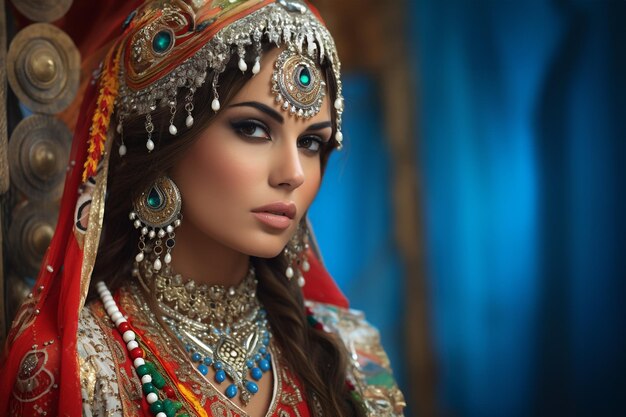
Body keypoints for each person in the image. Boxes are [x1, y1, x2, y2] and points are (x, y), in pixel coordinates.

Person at [0, 1, 405, 416]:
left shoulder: (349, 354)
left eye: (311, 142)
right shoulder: (78, 362)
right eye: (252, 129)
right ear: (165, 140)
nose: (294, 173)